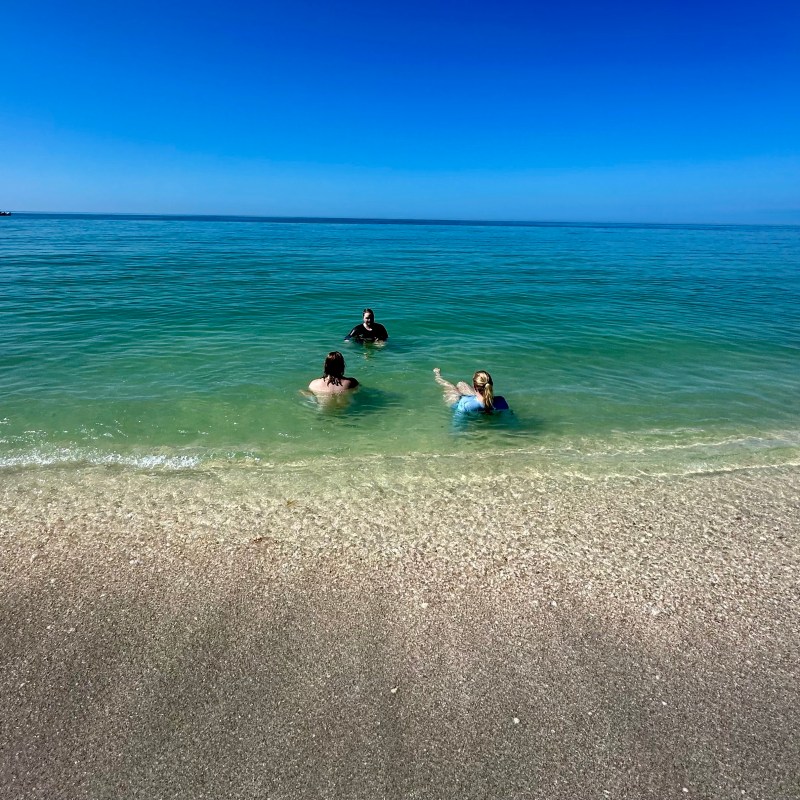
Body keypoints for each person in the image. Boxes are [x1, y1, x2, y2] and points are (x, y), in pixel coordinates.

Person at [433, 367, 510, 414]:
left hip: (458, 403)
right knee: (461, 384)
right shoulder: (501, 401)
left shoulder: (465, 404)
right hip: (476, 401)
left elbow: (457, 426)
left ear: (475, 387)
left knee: (451, 387)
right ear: (491, 385)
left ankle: (438, 376)